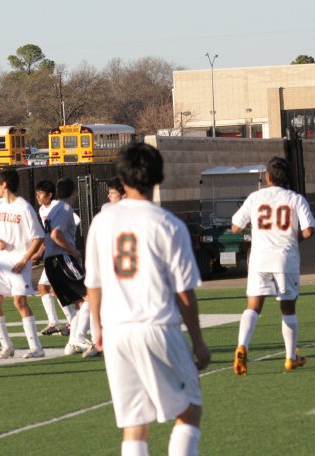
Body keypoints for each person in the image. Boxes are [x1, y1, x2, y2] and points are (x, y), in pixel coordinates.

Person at [86, 143, 210, 456]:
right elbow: (184, 292)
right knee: (190, 409)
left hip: (116, 331)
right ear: (158, 176)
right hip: (156, 326)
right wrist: (198, 341)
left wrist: (96, 326)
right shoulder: (168, 224)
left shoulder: (102, 222)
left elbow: (94, 283)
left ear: (121, 179)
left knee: (134, 423)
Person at [231, 156, 315, 376]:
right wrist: (293, 239)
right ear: (287, 178)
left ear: (267, 177)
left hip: (259, 259)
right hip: (285, 259)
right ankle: (290, 357)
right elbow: (308, 230)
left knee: (253, 306)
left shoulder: (255, 197)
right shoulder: (296, 199)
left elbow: (235, 226)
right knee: (288, 308)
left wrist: (256, 230)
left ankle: (242, 345)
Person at [0, 169, 46, 359]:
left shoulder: (24, 208)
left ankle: (36, 348)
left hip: (18, 263)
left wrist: (24, 260)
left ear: (4, 184)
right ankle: (6, 346)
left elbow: (38, 237)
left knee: (19, 302)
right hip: (0, 262)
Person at [40, 178, 98, 358]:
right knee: (91, 295)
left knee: (80, 302)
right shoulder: (65, 209)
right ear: (74, 193)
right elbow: (56, 234)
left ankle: (72, 342)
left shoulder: (53, 209)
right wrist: (74, 252)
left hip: (50, 262)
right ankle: (80, 338)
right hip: (62, 259)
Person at [31, 180, 72, 338]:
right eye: (36, 194)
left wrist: (67, 244)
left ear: (50, 195)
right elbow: (48, 234)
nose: (37, 197)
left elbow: (74, 222)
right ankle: (56, 322)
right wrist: (40, 251)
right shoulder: (42, 209)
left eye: (40, 194)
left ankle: (72, 322)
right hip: (51, 254)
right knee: (45, 287)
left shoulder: (59, 207)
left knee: (54, 288)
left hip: (61, 253)